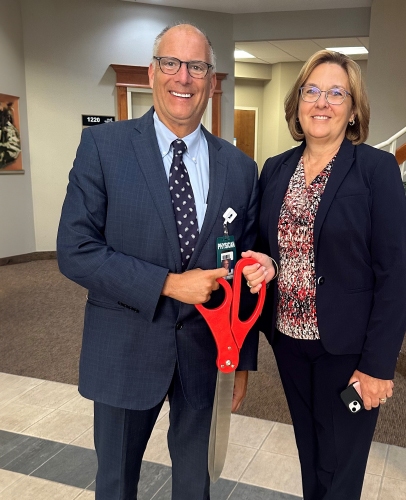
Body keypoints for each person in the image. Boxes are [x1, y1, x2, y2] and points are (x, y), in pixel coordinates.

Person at [57, 23, 259, 500]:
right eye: (171, 63)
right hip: (124, 350)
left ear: (211, 80)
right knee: (116, 486)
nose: (183, 77)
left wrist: (241, 360)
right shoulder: (104, 148)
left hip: (206, 356)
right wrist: (169, 284)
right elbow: (75, 249)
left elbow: (245, 270)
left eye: (197, 67)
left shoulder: (240, 168)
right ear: (152, 73)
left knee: (196, 487)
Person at [242, 50, 406, 500]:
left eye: (337, 93)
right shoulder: (275, 168)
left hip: (348, 352)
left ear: (353, 108)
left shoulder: (376, 170)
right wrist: (268, 264)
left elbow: (395, 276)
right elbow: (272, 246)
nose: (322, 102)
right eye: (312, 91)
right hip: (290, 344)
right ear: (298, 103)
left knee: (341, 471)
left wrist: (377, 367)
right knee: (312, 456)